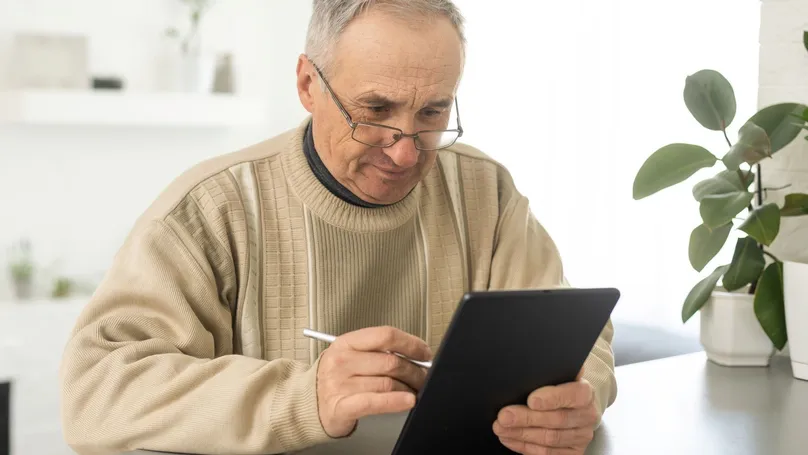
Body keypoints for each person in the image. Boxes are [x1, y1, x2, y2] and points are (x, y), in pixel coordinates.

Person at [59, 1, 617, 454]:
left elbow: (575, 338)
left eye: (432, 113)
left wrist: (575, 397)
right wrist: (305, 398)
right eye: (374, 109)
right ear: (307, 84)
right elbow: (94, 395)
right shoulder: (208, 209)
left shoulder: (486, 192)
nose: (404, 152)